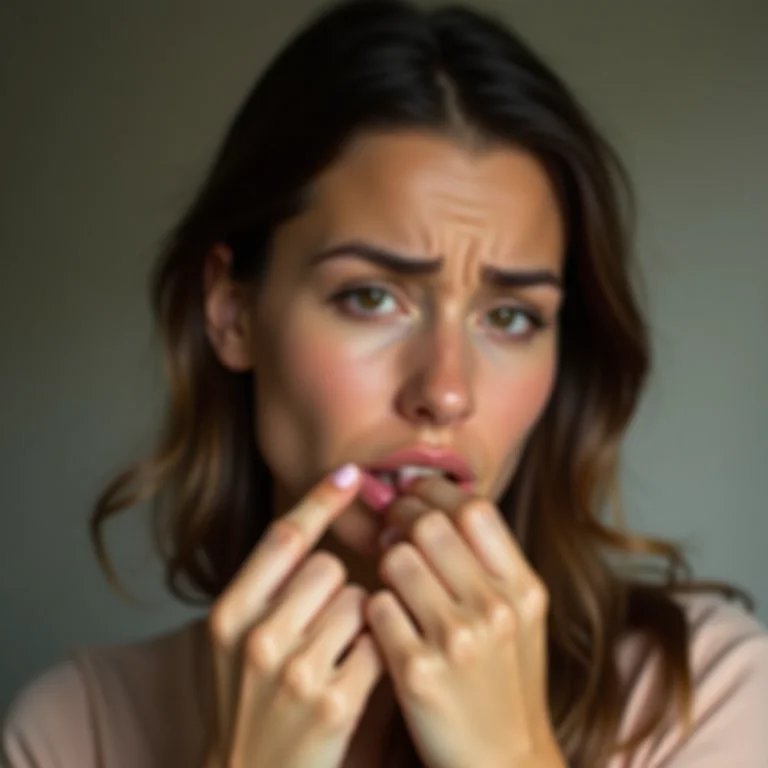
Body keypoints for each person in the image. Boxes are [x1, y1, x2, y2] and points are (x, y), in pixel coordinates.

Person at [3, 0, 767, 766]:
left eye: (509, 316)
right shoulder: (72, 735)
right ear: (233, 311)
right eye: (372, 297)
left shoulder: (705, 693)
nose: (445, 392)